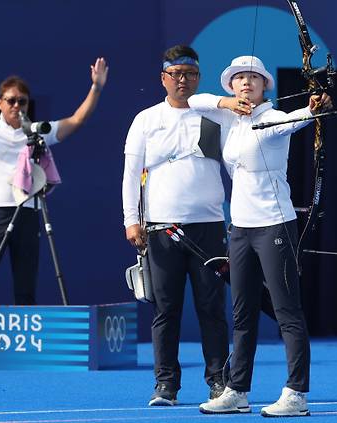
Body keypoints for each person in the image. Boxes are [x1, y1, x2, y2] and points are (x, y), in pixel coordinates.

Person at [189, 56, 331, 417]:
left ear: (265, 85)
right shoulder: (226, 117)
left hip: (274, 224)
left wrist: (314, 108)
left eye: (254, 77)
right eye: (239, 78)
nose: (246, 83)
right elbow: (194, 101)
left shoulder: (270, 118)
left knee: (287, 312)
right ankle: (237, 390)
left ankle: (297, 393)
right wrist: (225, 104)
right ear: (232, 86)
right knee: (242, 314)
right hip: (240, 229)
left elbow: (297, 119)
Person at [0, 49, 108, 305]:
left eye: (22, 101)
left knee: (26, 288)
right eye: (11, 100)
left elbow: (77, 120)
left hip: (27, 213)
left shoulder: (38, 132)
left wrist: (96, 88)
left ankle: (25, 344)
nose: (16, 106)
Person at [122, 45, 229, 406]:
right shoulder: (146, 119)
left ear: (200, 78)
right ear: (163, 78)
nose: (183, 80)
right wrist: (131, 220)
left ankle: (219, 382)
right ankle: (165, 385)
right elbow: (130, 174)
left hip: (209, 226)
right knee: (166, 310)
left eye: (191, 74)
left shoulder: (215, 116)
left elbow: (240, 162)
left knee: (211, 310)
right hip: (161, 229)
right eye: (176, 74)